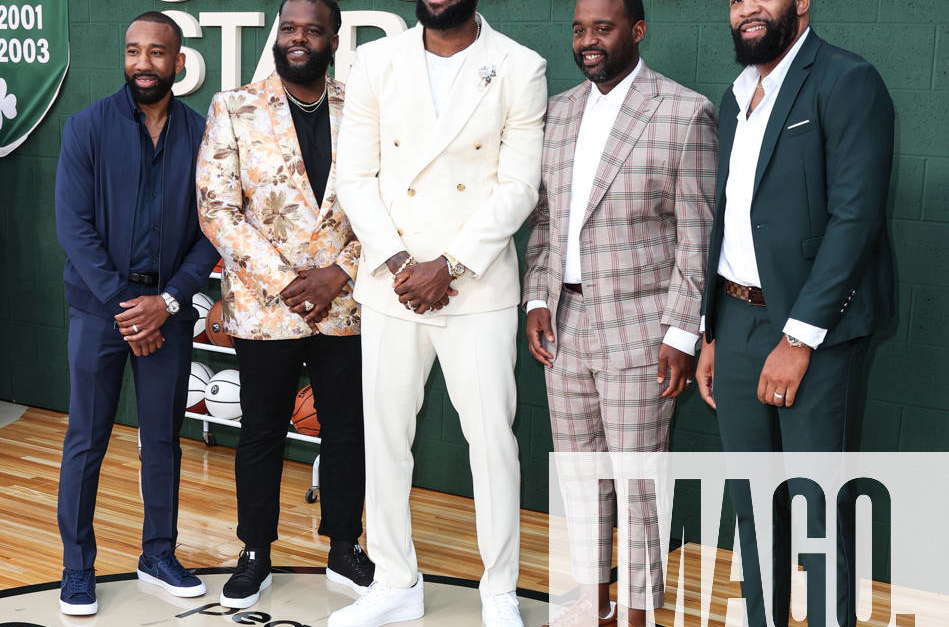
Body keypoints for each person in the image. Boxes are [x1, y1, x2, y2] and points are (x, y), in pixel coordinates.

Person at [329, 1, 547, 625]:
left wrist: (447, 267)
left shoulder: (519, 66)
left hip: (475, 289)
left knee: (492, 444)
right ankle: (396, 581)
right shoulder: (373, 61)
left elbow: (518, 187)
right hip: (392, 285)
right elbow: (356, 178)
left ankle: (499, 590)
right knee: (386, 438)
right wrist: (403, 266)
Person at [695, 1, 895, 625]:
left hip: (811, 332)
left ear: (801, 1)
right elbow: (729, 221)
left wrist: (800, 338)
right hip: (733, 321)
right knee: (752, 506)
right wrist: (712, 332)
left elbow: (855, 219)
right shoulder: (733, 97)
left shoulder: (847, 79)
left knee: (817, 510)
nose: (747, 7)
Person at [522, 0, 717, 624]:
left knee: (637, 482)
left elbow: (697, 236)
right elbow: (547, 220)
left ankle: (636, 612)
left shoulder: (684, 113)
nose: (588, 42)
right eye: (579, 30)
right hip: (565, 325)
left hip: (642, 328)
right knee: (581, 481)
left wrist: (682, 332)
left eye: (602, 29)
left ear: (637, 31)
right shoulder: (557, 112)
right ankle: (593, 605)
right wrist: (535, 297)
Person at [196, 0, 373, 610]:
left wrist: (338, 273)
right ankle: (255, 551)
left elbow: (386, 202)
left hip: (346, 303)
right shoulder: (234, 106)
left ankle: (345, 546)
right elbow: (216, 207)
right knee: (262, 431)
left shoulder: (364, 106)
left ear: (334, 38)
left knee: (347, 429)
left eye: (313, 30)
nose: (299, 39)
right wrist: (288, 281)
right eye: (290, 28)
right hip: (265, 305)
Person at [54, 11, 218, 616]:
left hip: (168, 311)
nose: (142, 63)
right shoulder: (86, 128)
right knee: (86, 440)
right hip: (101, 313)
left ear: (180, 64)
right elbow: (74, 228)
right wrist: (130, 310)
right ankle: (77, 567)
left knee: (163, 441)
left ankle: (158, 553)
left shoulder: (204, 137)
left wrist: (167, 302)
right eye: (132, 51)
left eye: (156, 53)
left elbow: (213, 229)